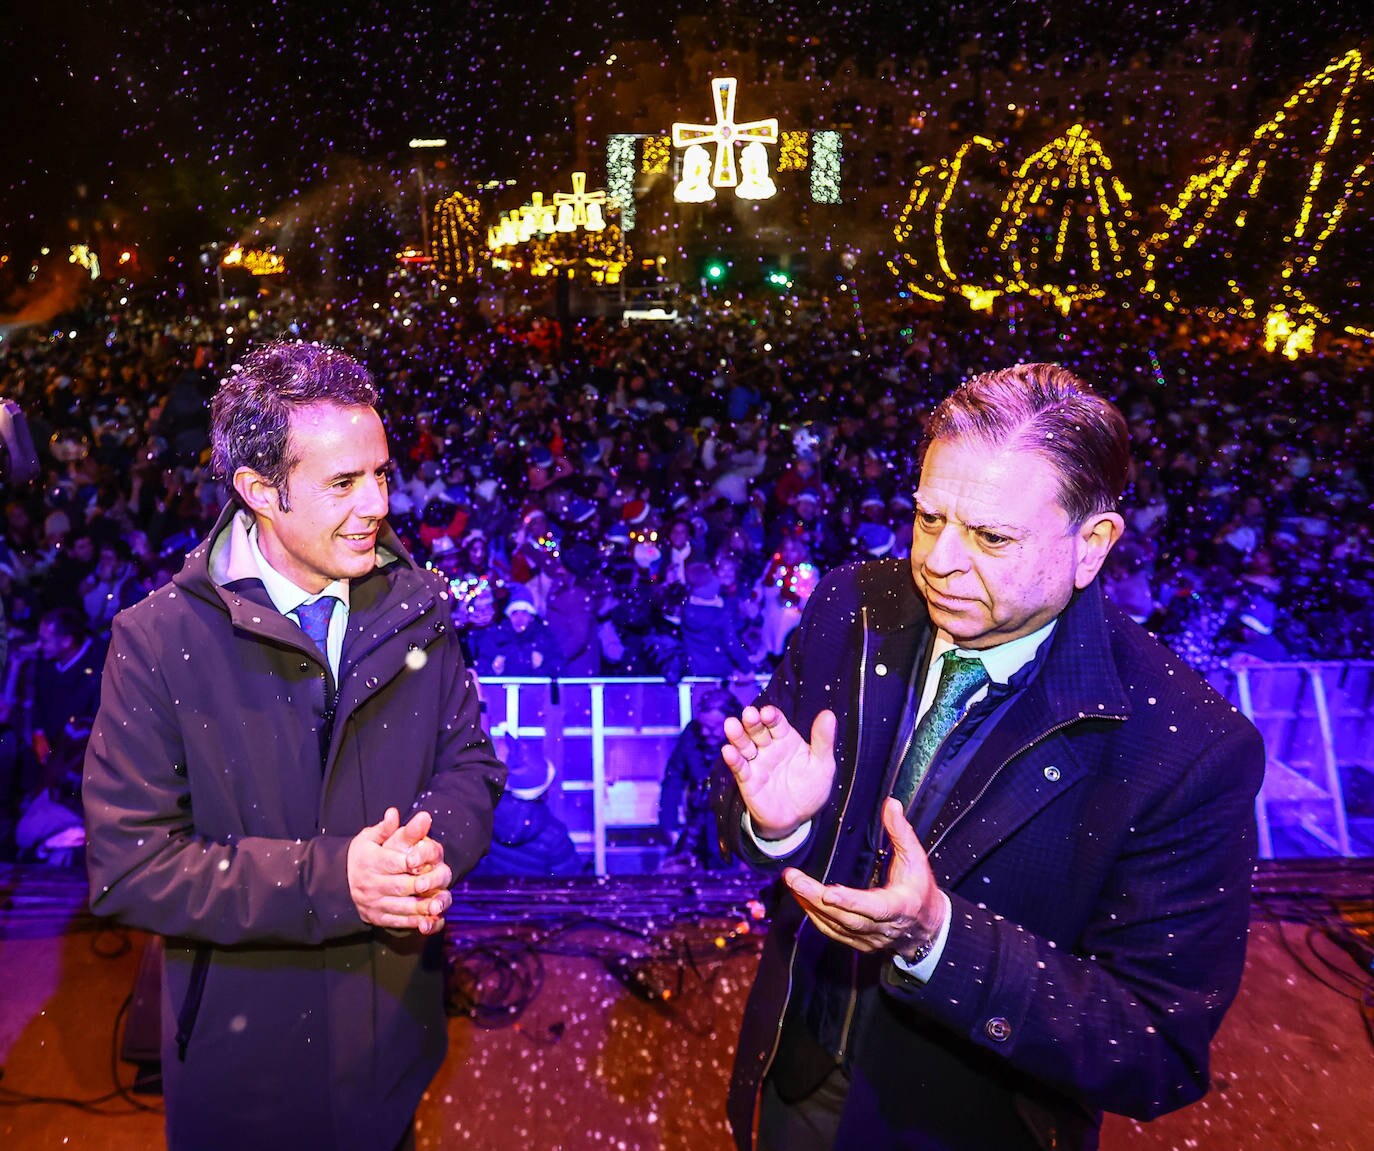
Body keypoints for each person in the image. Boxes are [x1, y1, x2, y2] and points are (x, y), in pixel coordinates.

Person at [716, 363, 1265, 1151]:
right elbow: (736, 814)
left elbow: (1156, 1050)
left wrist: (937, 940)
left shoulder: (1187, 748)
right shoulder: (850, 605)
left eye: (991, 536)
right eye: (928, 516)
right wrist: (771, 826)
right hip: (792, 1077)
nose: (939, 560)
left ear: (1092, 546)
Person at [82, 341, 506, 1151]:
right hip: (247, 1076)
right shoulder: (157, 640)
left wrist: (428, 851)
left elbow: (471, 766)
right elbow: (130, 866)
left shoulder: (418, 607)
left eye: (381, 472)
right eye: (343, 482)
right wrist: (334, 880)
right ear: (258, 491)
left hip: (393, 1051)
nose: (377, 503)